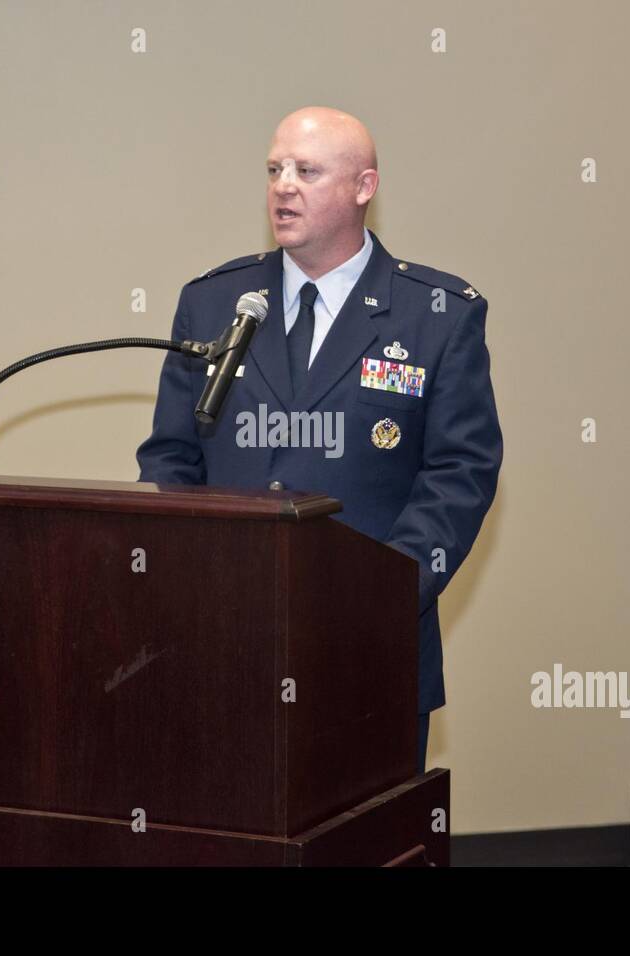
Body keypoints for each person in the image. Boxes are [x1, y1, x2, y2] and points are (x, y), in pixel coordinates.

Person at [136, 106, 502, 775]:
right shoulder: (215, 303)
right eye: (275, 169)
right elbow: (170, 456)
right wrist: (180, 581)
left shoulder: (436, 314)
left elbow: (461, 473)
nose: (283, 185)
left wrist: (382, 597)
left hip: (369, 647)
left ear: (364, 186)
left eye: (306, 170)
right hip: (220, 639)